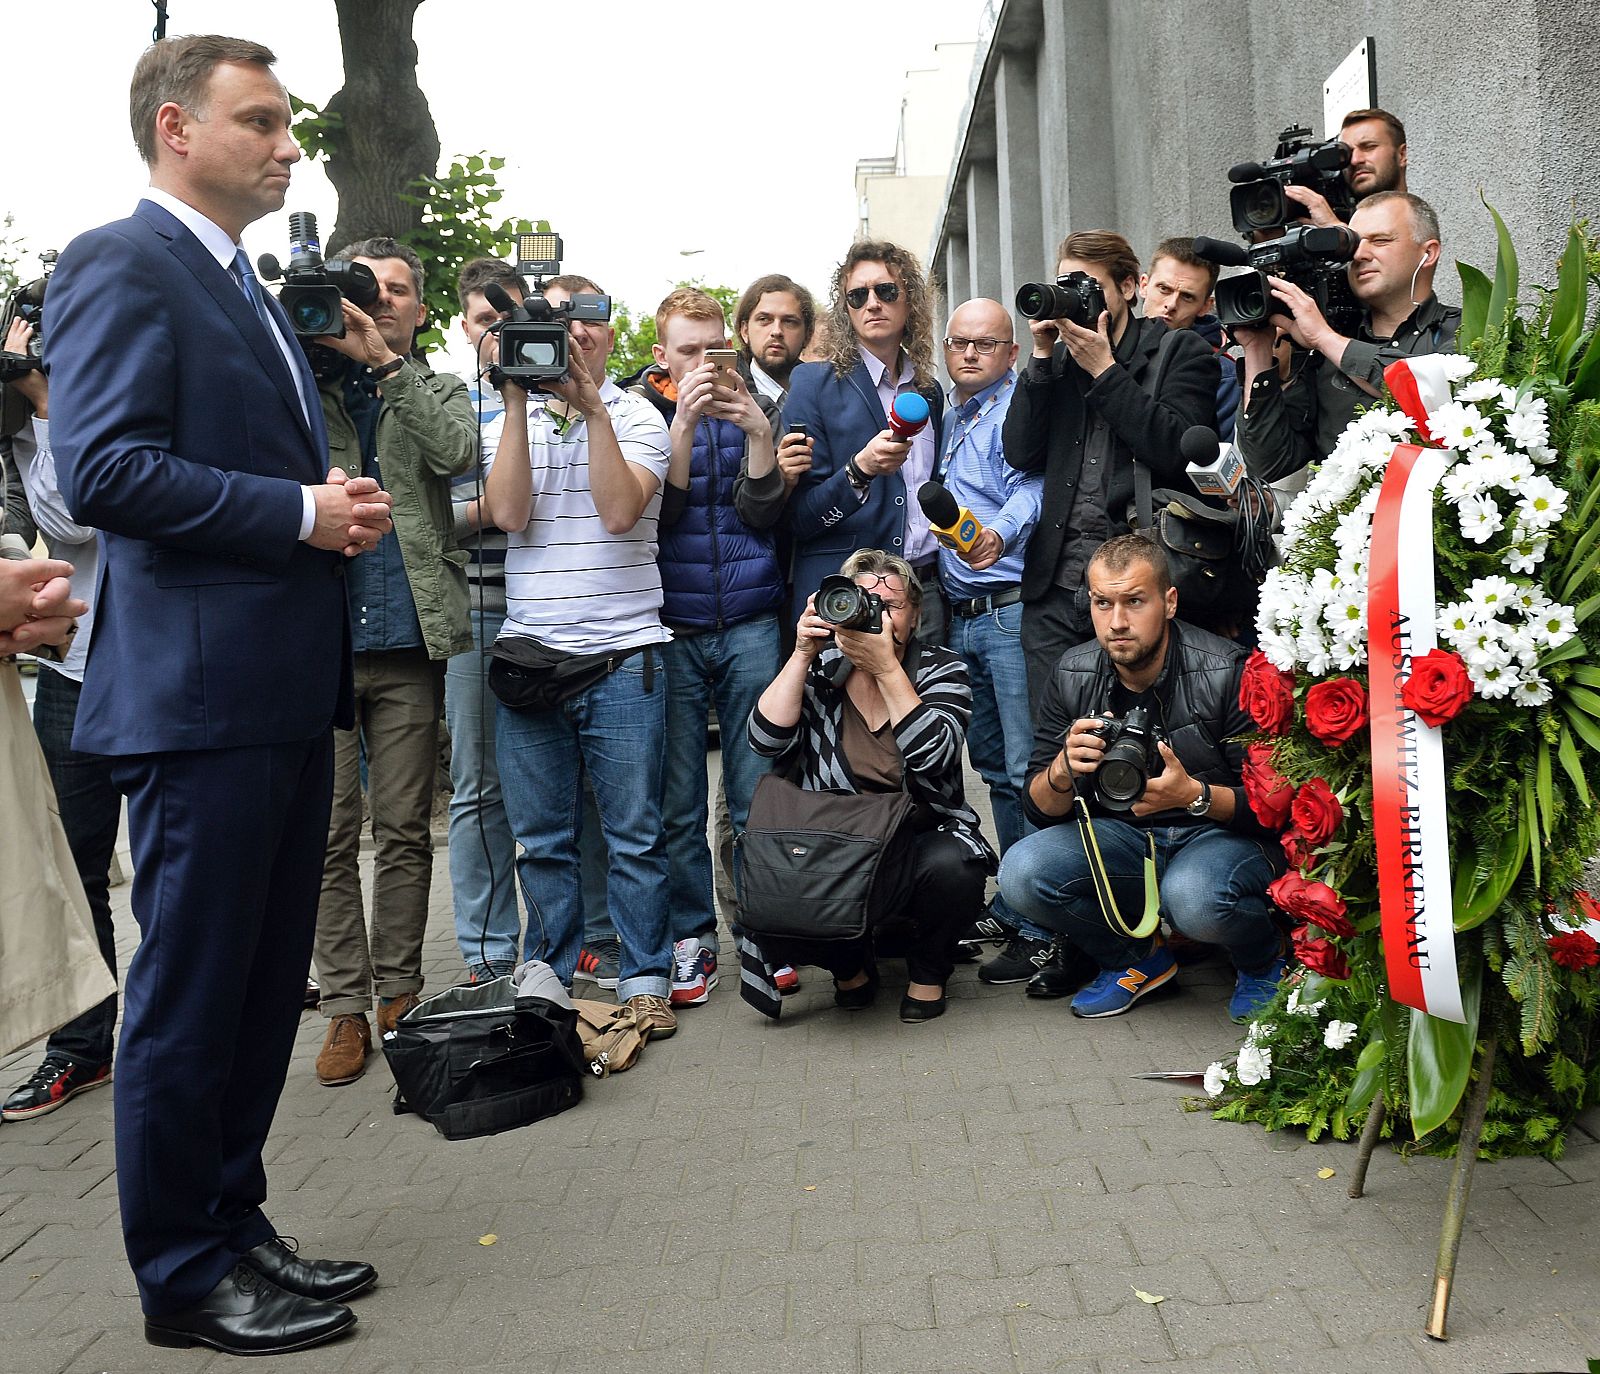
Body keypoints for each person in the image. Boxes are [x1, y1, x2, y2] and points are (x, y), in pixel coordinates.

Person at [46, 34, 390, 1355]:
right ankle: (182, 1275)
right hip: (194, 704)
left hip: (277, 694)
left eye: (290, 124)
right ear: (175, 128)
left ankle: (235, 1226)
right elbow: (104, 472)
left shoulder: (243, 281)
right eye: (260, 121)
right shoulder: (118, 261)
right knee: (191, 996)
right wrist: (301, 509)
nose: (288, 146)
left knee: (256, 993)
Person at [480, 271, 679, 1040]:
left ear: (606, 331)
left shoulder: (637, 416)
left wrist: (590, 404)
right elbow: (506, 513)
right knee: (542, 841)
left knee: (634, 834)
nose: (574, 332)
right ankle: (548, 982)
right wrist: (520, 401)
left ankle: (646, 979)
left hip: (625, 657)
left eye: (587, 319)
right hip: (533, 659)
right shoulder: (510, 416)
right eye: (556, 321)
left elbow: (620, 510)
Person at [309, 237, 476, 1087]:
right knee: (330, 835)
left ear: (418, 307)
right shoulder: (296, 386)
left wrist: (381, 366)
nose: (379, 301)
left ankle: (399, 993)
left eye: (398, 291)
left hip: (410, 640)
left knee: (405, 829)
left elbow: (460, 454)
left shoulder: (434, 384)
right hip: (318, 645)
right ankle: (343, 1006)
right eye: (362, 288)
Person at [996, 535, 1286, 1023]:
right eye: (1102, 603)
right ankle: (1138, 961)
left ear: (1169, 601)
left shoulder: (1227, 670)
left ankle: (1262, 960)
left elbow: (1274, 808)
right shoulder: (1072, 671)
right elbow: (1037, 809)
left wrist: (1193, 797)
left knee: (1192, 897)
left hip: (1219, 834)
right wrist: (1063, 770)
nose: (1117, 622)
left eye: (1134, 601)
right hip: (1128, 839)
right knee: (1020, 874)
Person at [747, 549, 995, 1021]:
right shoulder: (822, 671)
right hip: (838, 843)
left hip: (917, 837)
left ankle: (927, 975)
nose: (877, 613)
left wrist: (886, 669)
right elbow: (763, 740)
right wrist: (802, 653)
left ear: (916, 615)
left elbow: (935, 755)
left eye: (893, 604)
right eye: (864, 599)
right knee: (780, 875)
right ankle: (851, 972)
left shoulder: (940, 668)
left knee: (955, 867)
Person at [628, 288, 786, 1006]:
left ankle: (761, 928)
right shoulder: (641, 413)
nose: (704, 363)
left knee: (757, 793)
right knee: (679, 799)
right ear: (661, 355)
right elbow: (664, 518)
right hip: (674, 628)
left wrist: (757, 434)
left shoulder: (753, 402)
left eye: (714, 349)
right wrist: (684, 427)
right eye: (688, 351)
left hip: (751, 619)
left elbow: (762, 512)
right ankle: (693, 936)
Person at [1002, 231, 1218, 707]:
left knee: (1137, 746)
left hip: (1136, 591)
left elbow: (1178, 454)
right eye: (1066, 283)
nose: (1074, 297)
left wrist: (1105, 371)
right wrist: (1040, 360)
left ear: (1127, 287)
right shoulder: (1055, 360)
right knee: (1054, 748)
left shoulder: (1179, 351)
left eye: (1088, 286)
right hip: (1055, 591)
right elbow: (1018, 452)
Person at [0, 320, 124, 1121]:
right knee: (75, 866)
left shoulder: (115, 395)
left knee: (172, 867)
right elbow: (36, 532)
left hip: (157, 664)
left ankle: (178, 1033)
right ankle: (80, 1050)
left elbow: (83, 512)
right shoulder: (15, 425)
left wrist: (48, 397)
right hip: (76, 668)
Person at [926, 299, 1053, 985]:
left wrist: (998, 535)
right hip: (962, 615)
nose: (970, 354)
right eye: (959, 342)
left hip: (1006, 611)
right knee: (996, 769)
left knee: (1025, 771)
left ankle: (1040, 925)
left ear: (1010, 353)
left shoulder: (1012, 412)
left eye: (986, 344)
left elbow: (1029, 488)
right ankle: (1016, 901)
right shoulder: (950, 414)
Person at [1233, 192, 1461, 484]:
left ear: (1428, 253)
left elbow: (1432, 398)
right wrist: (1257, 350)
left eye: (1380, 241)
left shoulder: (1466, 328)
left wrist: (1325, 339)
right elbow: (1272, 465)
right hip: (1341, 527)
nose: (1360, 254)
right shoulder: (1321, 350)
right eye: (1354, 242)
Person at [782, 241, 947, 642]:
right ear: (847, 310)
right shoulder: (813, 384)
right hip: (846, 598)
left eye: (886, 291)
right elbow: (799, 519)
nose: (872, 303)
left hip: (924, 595)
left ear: (911, 302)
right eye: (858, 295)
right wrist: (859, 470)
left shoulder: (929, 393)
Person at [1140, 238, 1239, 441]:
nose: (1171, 304)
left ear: (1205, 306)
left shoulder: (1223, 372)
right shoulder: (1114, 347)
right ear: (1143, 285)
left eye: (1187, 297)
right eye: (1164, 289)